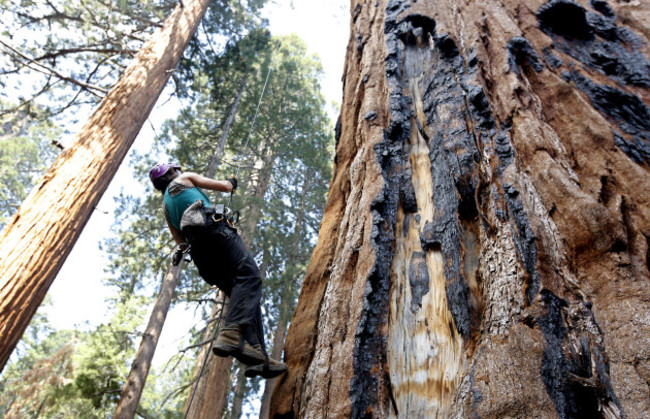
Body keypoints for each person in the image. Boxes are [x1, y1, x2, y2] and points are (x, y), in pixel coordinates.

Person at [149, 162, 287, 379]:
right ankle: (232, 333)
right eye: (177, 170)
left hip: (202, 256)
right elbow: (224, 187)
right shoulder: (184, 179)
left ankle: (259, 356)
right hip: (216, 233)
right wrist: (231, 183)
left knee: (245, 296)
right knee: (250, 276)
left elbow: (180, 241)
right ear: (173, 172)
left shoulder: (166, 207)